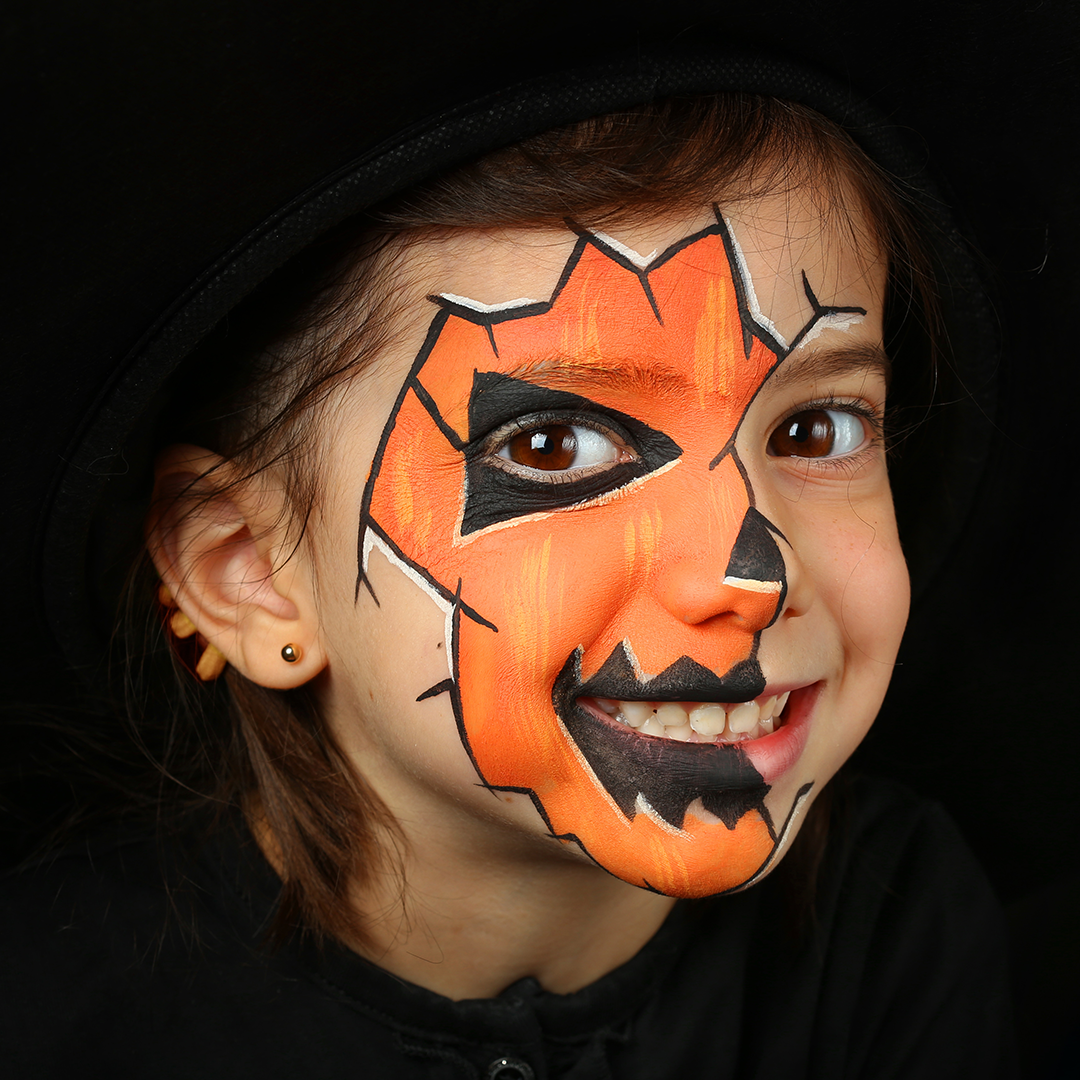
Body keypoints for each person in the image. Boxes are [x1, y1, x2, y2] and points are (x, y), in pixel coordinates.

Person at [2, 80, 1019, 1076]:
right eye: (551, 446)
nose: (749, 576)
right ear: (249, 573)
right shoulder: (49, 1009)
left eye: (815, 428)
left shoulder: (898, 928)